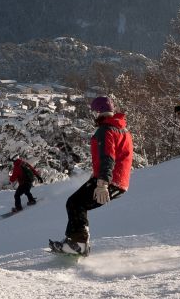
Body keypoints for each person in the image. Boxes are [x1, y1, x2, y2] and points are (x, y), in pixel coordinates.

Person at [50, 95, 133, 256]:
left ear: (98, 112)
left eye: (93, 112)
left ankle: (79, 243)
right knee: (77, 203)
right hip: (116, 180)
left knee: (75, 203)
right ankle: (74, 241)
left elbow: (108, 157)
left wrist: (102, 183)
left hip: (109, 180)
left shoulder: (106, 130)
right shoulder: (122, 130)